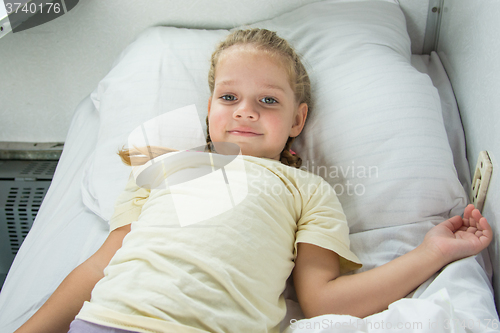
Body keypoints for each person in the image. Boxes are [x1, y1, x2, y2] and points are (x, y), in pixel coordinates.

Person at [15, 28, 492, 333]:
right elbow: (100, 266)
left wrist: (432, 252)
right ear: (208, 110)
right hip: (111, 321)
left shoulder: (306, 189)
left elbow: (322, 297)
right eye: (229, 96)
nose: (245, 109)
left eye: (268, 101)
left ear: (298, 120)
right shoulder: (164, 162)